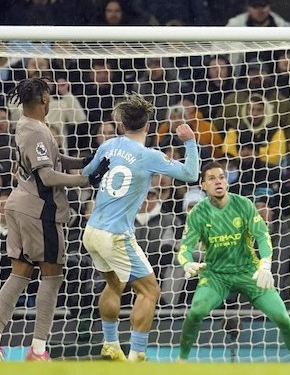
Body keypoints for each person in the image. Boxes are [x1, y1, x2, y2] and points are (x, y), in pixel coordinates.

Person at [0, 78, 110, 361]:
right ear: (45, 99)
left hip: (20, 205)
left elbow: (55, 159)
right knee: (52, 275)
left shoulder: (26, 125)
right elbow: (47, 176)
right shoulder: (36, 130)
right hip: (40, 211)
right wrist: (86, 179)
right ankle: (38, 350)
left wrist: (86, 161)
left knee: (20, 273)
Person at [81, 93, 200, 362]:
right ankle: (136, 357)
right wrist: (190, 142)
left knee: (114, 284)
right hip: (116, 235)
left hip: (92, 230)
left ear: (121, 124)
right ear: (148, 126)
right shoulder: (149, 156)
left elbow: (88, 174)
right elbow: (191, 175)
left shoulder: (108, 146)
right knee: (150, 291)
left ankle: (110, 343)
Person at [177, 161, 290, 362]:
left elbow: (263, 236)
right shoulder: (197, 213)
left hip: (248, 272)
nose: (218, 182)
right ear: (203, 185)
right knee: (195, 313)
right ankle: (181, 361)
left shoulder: (243, 204)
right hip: (216, 275)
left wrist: (265, 264)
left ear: (227, 182)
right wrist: (186, 263)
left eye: (221, 177)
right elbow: (185, 248)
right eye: (212, 178)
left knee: (282, 318)